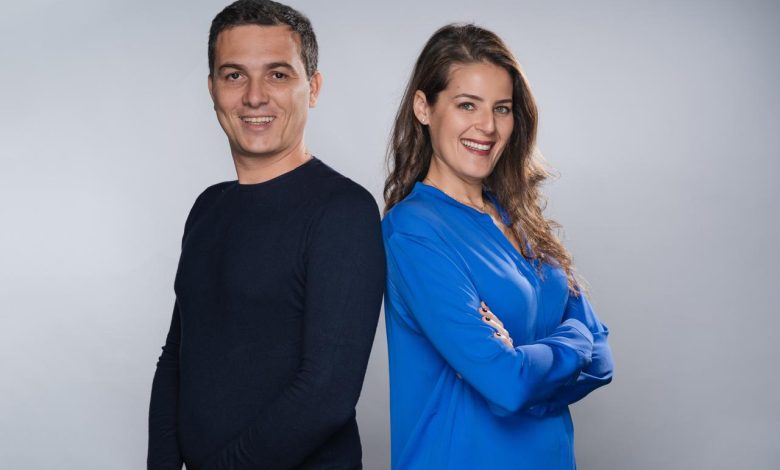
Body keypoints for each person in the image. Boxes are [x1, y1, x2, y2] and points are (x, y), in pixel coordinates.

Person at [147, 1, 385, 469]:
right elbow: (177, 357)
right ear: (213, 89)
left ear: (312, 88)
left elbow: (326, 395)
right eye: (234, 75)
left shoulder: (343, 212)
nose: (254, 96)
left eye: (277, 74)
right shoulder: (208, 207)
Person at [382, 24, 614, 469]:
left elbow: (602, 360)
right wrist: (575, 340)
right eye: (467, 104)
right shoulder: (413, 232)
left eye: (501, 108)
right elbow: (507, 383)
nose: (487, 126)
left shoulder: (520, 219)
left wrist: (539, 358)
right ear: (423, 108)